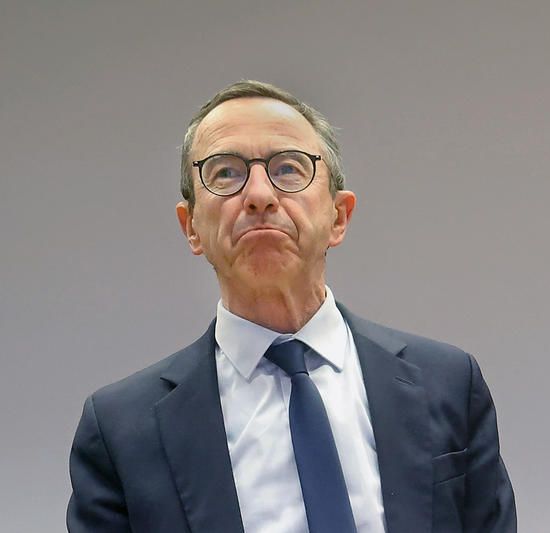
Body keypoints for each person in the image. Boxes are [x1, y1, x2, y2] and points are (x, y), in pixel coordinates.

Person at [67, 80, 516, 533]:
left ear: (339, 216)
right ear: (191, 228)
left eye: (288, 168)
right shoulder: (122, 431)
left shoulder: (448, 385)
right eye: (225, 173)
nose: (259, 195)